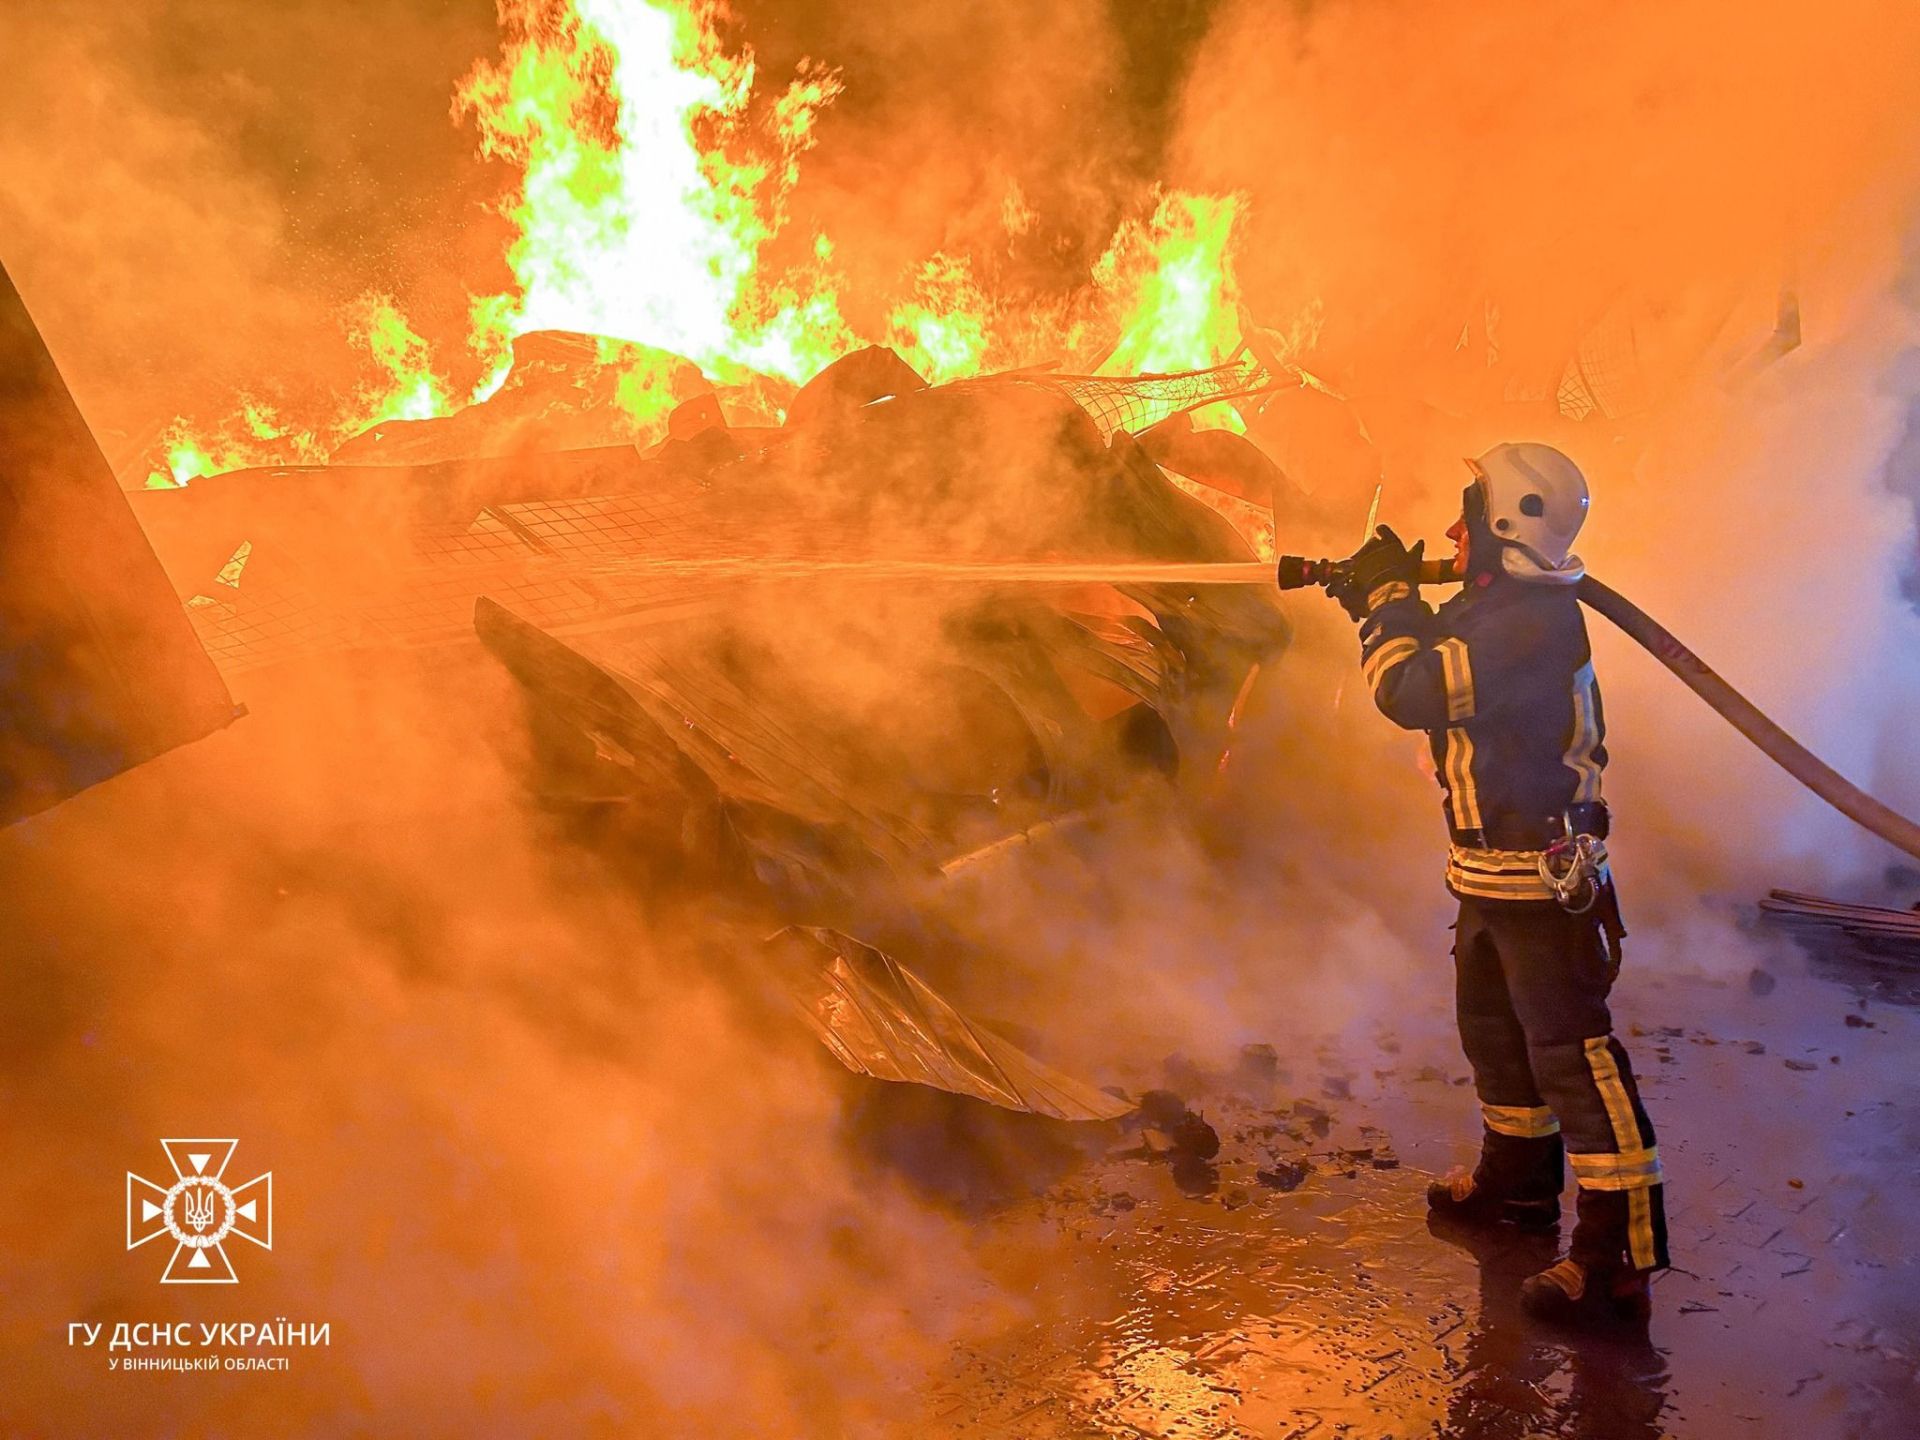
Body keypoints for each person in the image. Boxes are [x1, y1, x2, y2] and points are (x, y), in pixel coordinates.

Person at [1322, 442, 1666, 1325]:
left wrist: (1387, 604)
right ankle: (1518, 1189)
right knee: (1497, 1038)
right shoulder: (1501, 609)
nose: (1451, 530)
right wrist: (1382, 597)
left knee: (1573, 1059)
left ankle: (1617, 1255)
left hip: (1543, 877)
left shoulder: (1533, 625)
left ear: (1505, 523)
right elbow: (1439, 645)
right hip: (1488, 871)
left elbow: (1412, 691)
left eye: (1466, 515)